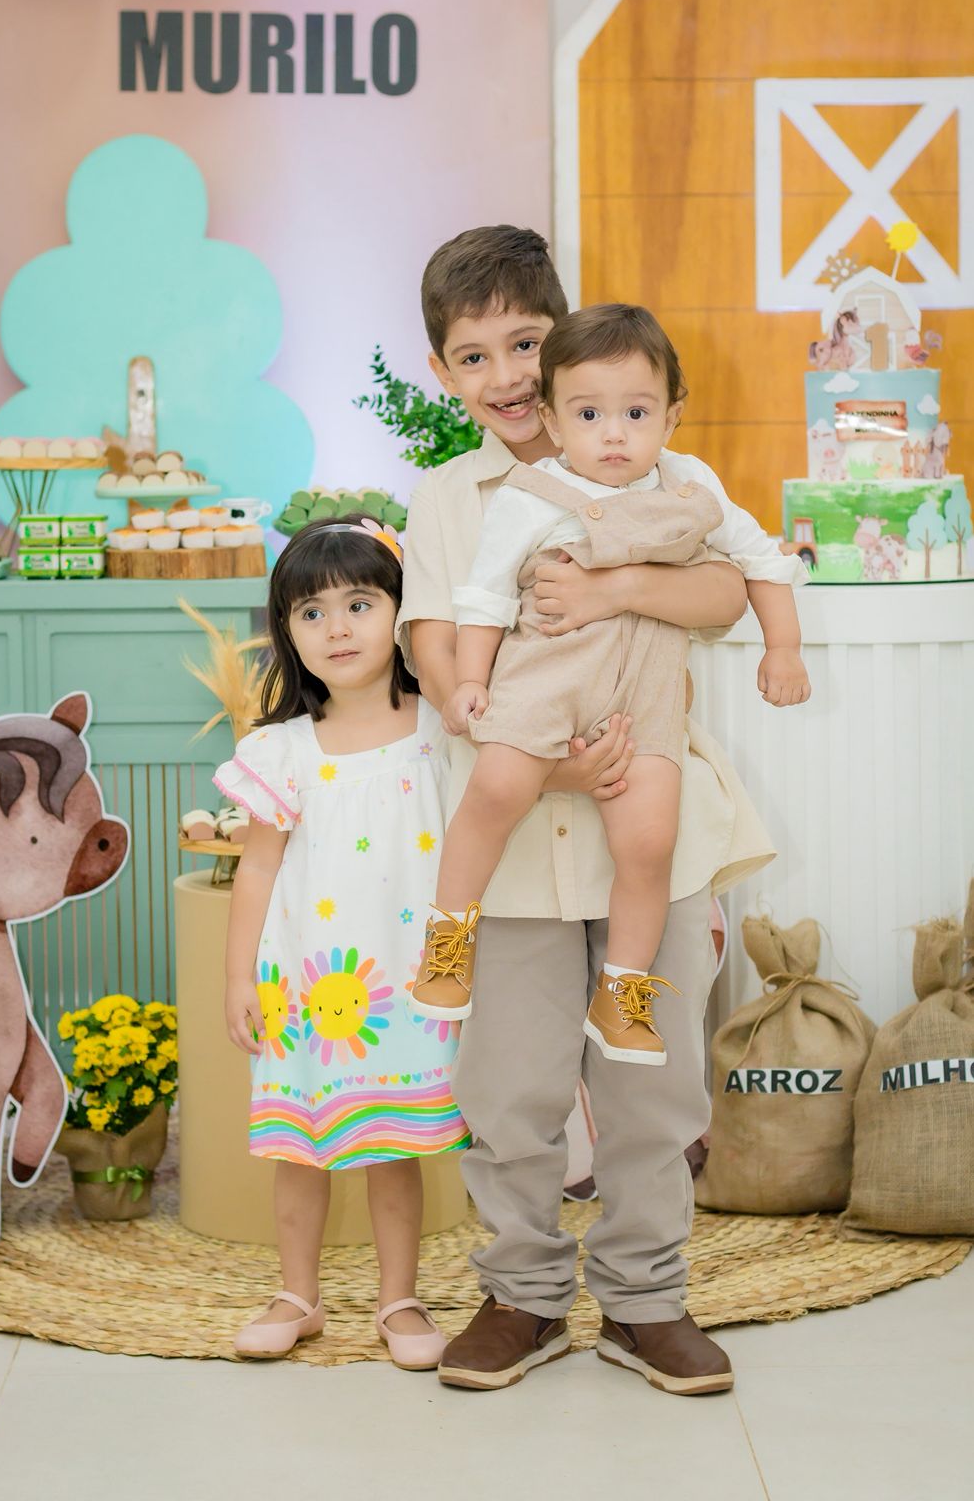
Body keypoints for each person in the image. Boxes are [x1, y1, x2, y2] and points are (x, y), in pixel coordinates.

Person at [397, 225, 777, 1396]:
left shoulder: (661, 468)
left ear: (563, 343)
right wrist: (552, 765)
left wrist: (615, 583)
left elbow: (727, 592)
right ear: (444, 374)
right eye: (475, 357)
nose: (507, 376)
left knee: (650, 1084)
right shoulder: (451, 497)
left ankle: (644, 1299)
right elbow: (437, 657)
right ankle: (520, 1293)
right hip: (518, 839)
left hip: (647, 837)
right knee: (509, 1085)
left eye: (526, 344)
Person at [411, 304, 809, 1067]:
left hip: (646, 691)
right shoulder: (529, 495)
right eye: (591, 416)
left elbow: (757, 562)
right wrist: (469, 681)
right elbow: (485, 598)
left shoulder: (692, 485)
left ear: (672, 415)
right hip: (544, 679)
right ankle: (448, 937)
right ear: (556, 421)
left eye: (636, 413)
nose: (615, 434)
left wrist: (783, 648)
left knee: (650, 840)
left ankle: (623, 991)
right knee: (495, 788)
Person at [214, 518, 468, 1370]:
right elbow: (256, 870)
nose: (339, 629)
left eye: (360, 604)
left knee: (394, 1147)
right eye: (312, 613)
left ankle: (400, 1299)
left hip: (408, 984)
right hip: (306, 985)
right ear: (286, 632)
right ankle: (299, 1295)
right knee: (300, 1147)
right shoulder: (280, 750)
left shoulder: (440, 729)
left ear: (400, 612)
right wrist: (238, 979)